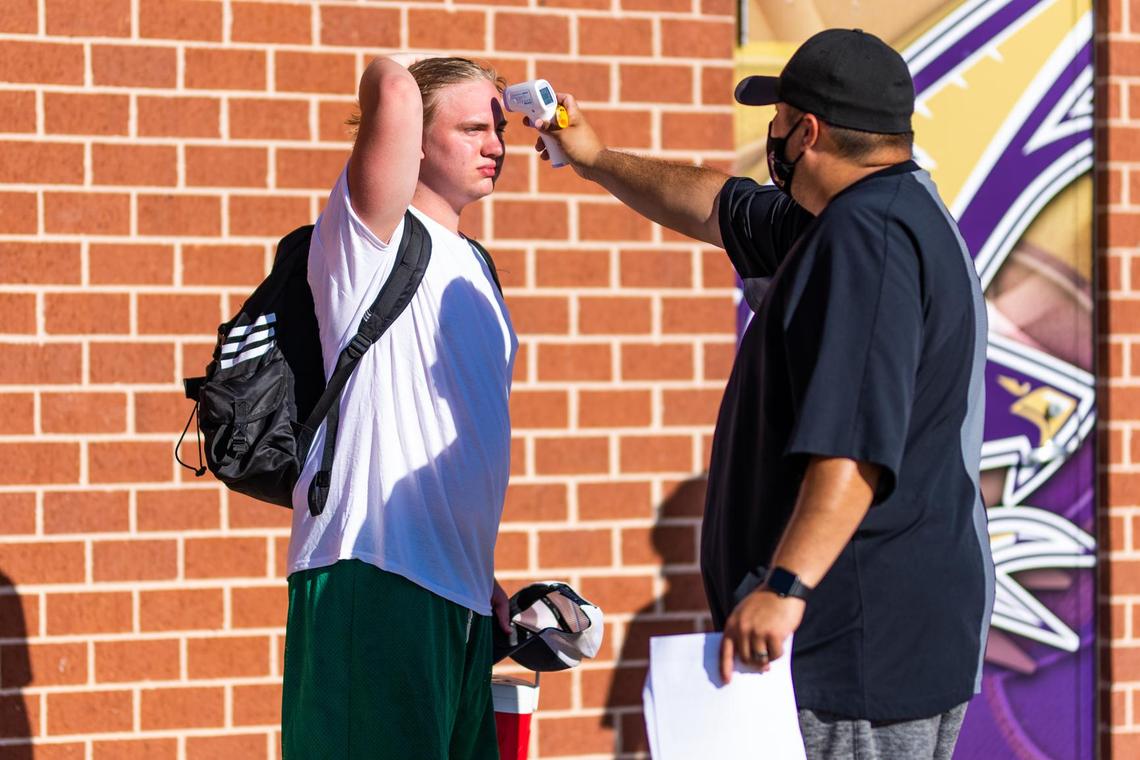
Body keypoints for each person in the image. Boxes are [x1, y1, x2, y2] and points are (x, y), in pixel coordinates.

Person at [532, 29, 994, 760]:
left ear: (806, 131)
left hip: (855, 641)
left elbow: (854, 446)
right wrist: (595, 159)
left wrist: (785, 586)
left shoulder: (865, 237)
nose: (769, 134)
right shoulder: (865, 215)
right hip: (884, 632)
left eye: (776, 120)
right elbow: (718, 206)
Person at [280, 55, 517, 759]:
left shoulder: (476, 268)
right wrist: (428, 87)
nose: (497, 145)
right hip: (374, 577)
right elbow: (389, 82)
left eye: (500, 128)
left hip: (461, 597)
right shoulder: (370, 239)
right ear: (414, 136)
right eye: (473, 127)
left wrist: (485, 576)